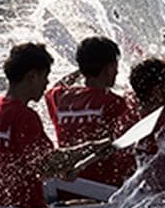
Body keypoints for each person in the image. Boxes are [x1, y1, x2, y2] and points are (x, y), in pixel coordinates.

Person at [0, 42, 99, 208]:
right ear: (32, 77)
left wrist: (64, 167)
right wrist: (93, 148)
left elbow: (35, 165)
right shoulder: (25, 117)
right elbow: (49, 164)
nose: (47, 83)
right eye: (45, 76)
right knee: (96, 205)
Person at [45, 36, 141, 185]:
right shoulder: (114, 102)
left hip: (67, 184)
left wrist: (82, 70)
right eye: (115, 66)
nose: (117, 72)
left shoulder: (60, 96)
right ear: (108, 69)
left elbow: (56, 86)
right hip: (103, 186)